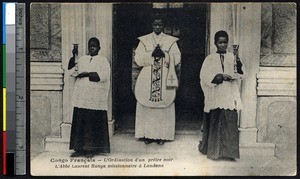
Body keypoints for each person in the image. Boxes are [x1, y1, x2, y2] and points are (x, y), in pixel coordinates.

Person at [133, 14, 181, 145]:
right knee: (147, 106)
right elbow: (137, 58)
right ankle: (147, 134)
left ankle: (162, 135)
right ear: (152, 25)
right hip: (147, 76)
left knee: (163, 107)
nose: (158, 27)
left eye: (160, 25)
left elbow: (177, 57)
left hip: (165, 74)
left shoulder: (171, 41)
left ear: (164, 26)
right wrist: (151, 55)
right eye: (155, 25)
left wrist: (165, 55)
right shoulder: (144, 40)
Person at [199, 30, 244, 161]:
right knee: (215, 121)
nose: (223, 45)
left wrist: (239, 65)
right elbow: (204, 76)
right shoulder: (210, 59)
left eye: (225, 42)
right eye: (220, 42)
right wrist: (219, 76)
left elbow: (241, 74)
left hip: (229, 93)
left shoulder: (232, 57)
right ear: (215, 43)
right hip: (216, 93)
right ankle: (214, 152)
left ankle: (229, 153)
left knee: (229, 122)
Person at [68, 37, 111, 158]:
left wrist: (87, 74)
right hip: (81, 96)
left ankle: (92, 149)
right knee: (80, 121)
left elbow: (105, 76)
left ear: (99, 48)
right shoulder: (82, 59)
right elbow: (72, 72)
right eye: (90, 46)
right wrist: (73, 57)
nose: (91, 48)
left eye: (94, 46)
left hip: (95, 97)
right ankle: (79, 148)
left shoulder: (103, 60)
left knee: (92, 123)